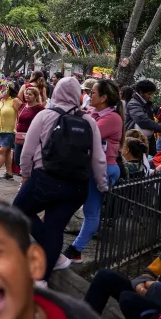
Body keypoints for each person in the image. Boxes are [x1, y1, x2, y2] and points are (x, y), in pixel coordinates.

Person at [13, 77, 108, 285]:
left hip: (44, 179)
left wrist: (26, 175)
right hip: (76, 186)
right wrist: (102, 185)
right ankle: (42, 279)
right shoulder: (89, 120)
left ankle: (51, 256)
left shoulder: (45, 115)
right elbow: (98, 158)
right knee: (55, 228)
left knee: (19, 210)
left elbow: (27, 151)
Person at [62, 79, 124, 264]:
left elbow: (84, 134)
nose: (90, 95)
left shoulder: (112, 118)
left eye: (94, 93)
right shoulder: (96, 113)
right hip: (90, 167)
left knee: (91, 211)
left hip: (104, 169)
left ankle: (76, 250)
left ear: (104, 98)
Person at [13, 85, 43, 177]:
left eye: (30, 94)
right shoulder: (22, 106)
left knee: (29, 158)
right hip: (19, 136)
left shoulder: (39, 108)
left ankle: (28, 176)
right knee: (17, 158)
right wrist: (15, 128)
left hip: (31, 137)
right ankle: (25, 173)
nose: (27, 96)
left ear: (35, 96)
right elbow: (17, 118)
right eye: (26, 94)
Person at [0, 84, 19, 180]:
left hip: (11, 130)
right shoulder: (1, 101)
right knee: (6, 152)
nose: (1, 91)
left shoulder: (14, 101)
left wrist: (17, 128)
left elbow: (20, 114)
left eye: (3, 89)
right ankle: (9, 173)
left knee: (2, 150)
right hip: (1, 130)